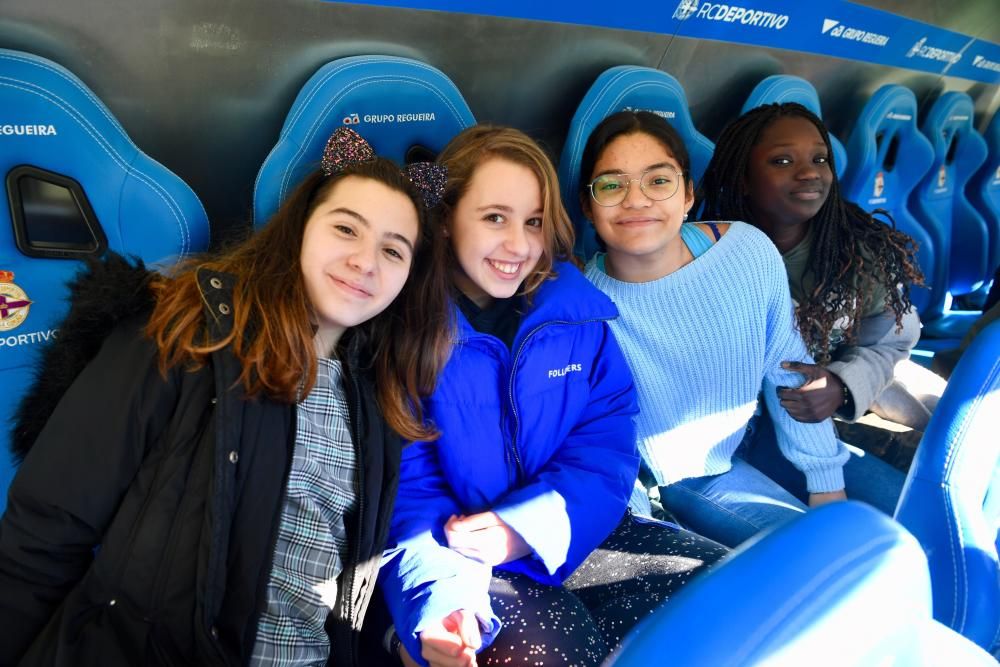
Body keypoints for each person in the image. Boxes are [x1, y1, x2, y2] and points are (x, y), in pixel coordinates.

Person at [0, 127, 451, 666]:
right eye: (345, 228)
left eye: (392, 250)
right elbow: (44, 533)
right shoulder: (186, 334)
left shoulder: (380, 395)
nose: (365, 261)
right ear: (300, 230)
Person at [379, 125, 727, 667]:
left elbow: (605, 445)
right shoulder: (405, 331)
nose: (519, 245)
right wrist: (444, 602)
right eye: (495, 217)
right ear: (446, 220)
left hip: (564, 527)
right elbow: (409, 493)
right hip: (452, 557)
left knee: (719, 591)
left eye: (534, 222)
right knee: (554, 648)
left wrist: (526, 528)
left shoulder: (576, 317)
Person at [579, 110, 903, 549]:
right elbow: (602, 444)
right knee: (828, 556)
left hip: (760, 434)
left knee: (910, 516)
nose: (637, 200)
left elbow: (791, 372)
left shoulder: (745, 249)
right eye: (612, 185)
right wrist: (646, 533)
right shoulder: (584, 308)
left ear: (689, 195)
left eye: (658, 181)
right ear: (587, 204)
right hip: (688, 476)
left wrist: (826, 482)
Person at [699, 102, 945, 450]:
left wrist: (840, 385)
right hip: (763, 425)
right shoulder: (706, 259)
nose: (810, 173)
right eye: (783, 161)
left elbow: (891, 343)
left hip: (862, 389)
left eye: (820, 159)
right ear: (743, 177)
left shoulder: (858, 249)